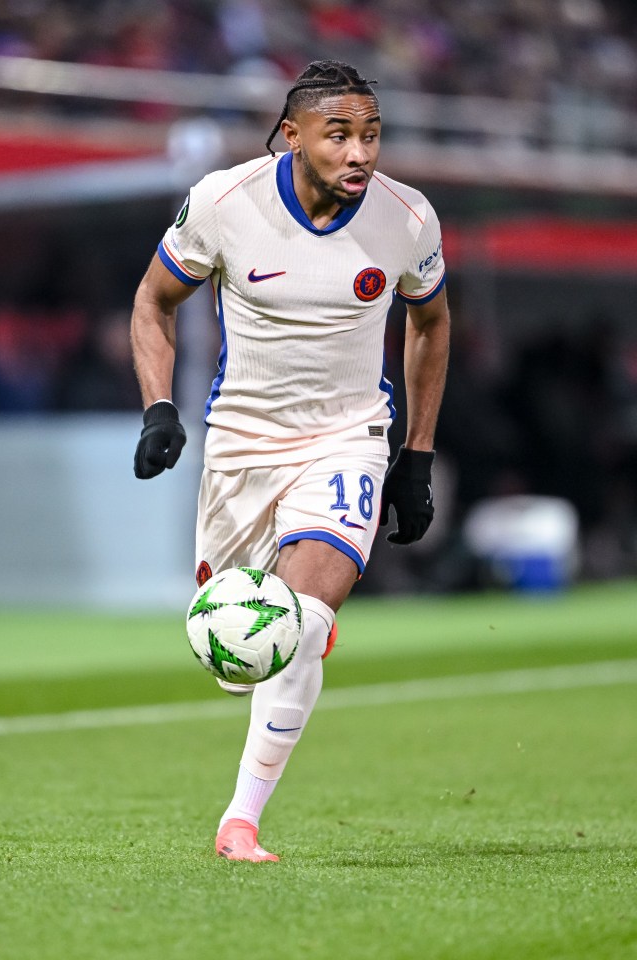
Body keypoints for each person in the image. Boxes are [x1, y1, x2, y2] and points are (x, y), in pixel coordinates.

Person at [131, 59, 450, 862]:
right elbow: (153, 303)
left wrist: (415, 456)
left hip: (347, 438)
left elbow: (432, 325)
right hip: (241, 442)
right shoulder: (223, 203)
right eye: (339, 134)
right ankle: (290, 637)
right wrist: (159, 407)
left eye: (371, 134)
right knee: (238, 660)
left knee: (300, 627)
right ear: (292, 134)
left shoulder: (408, 219)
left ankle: (240, 820)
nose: (360, 153)